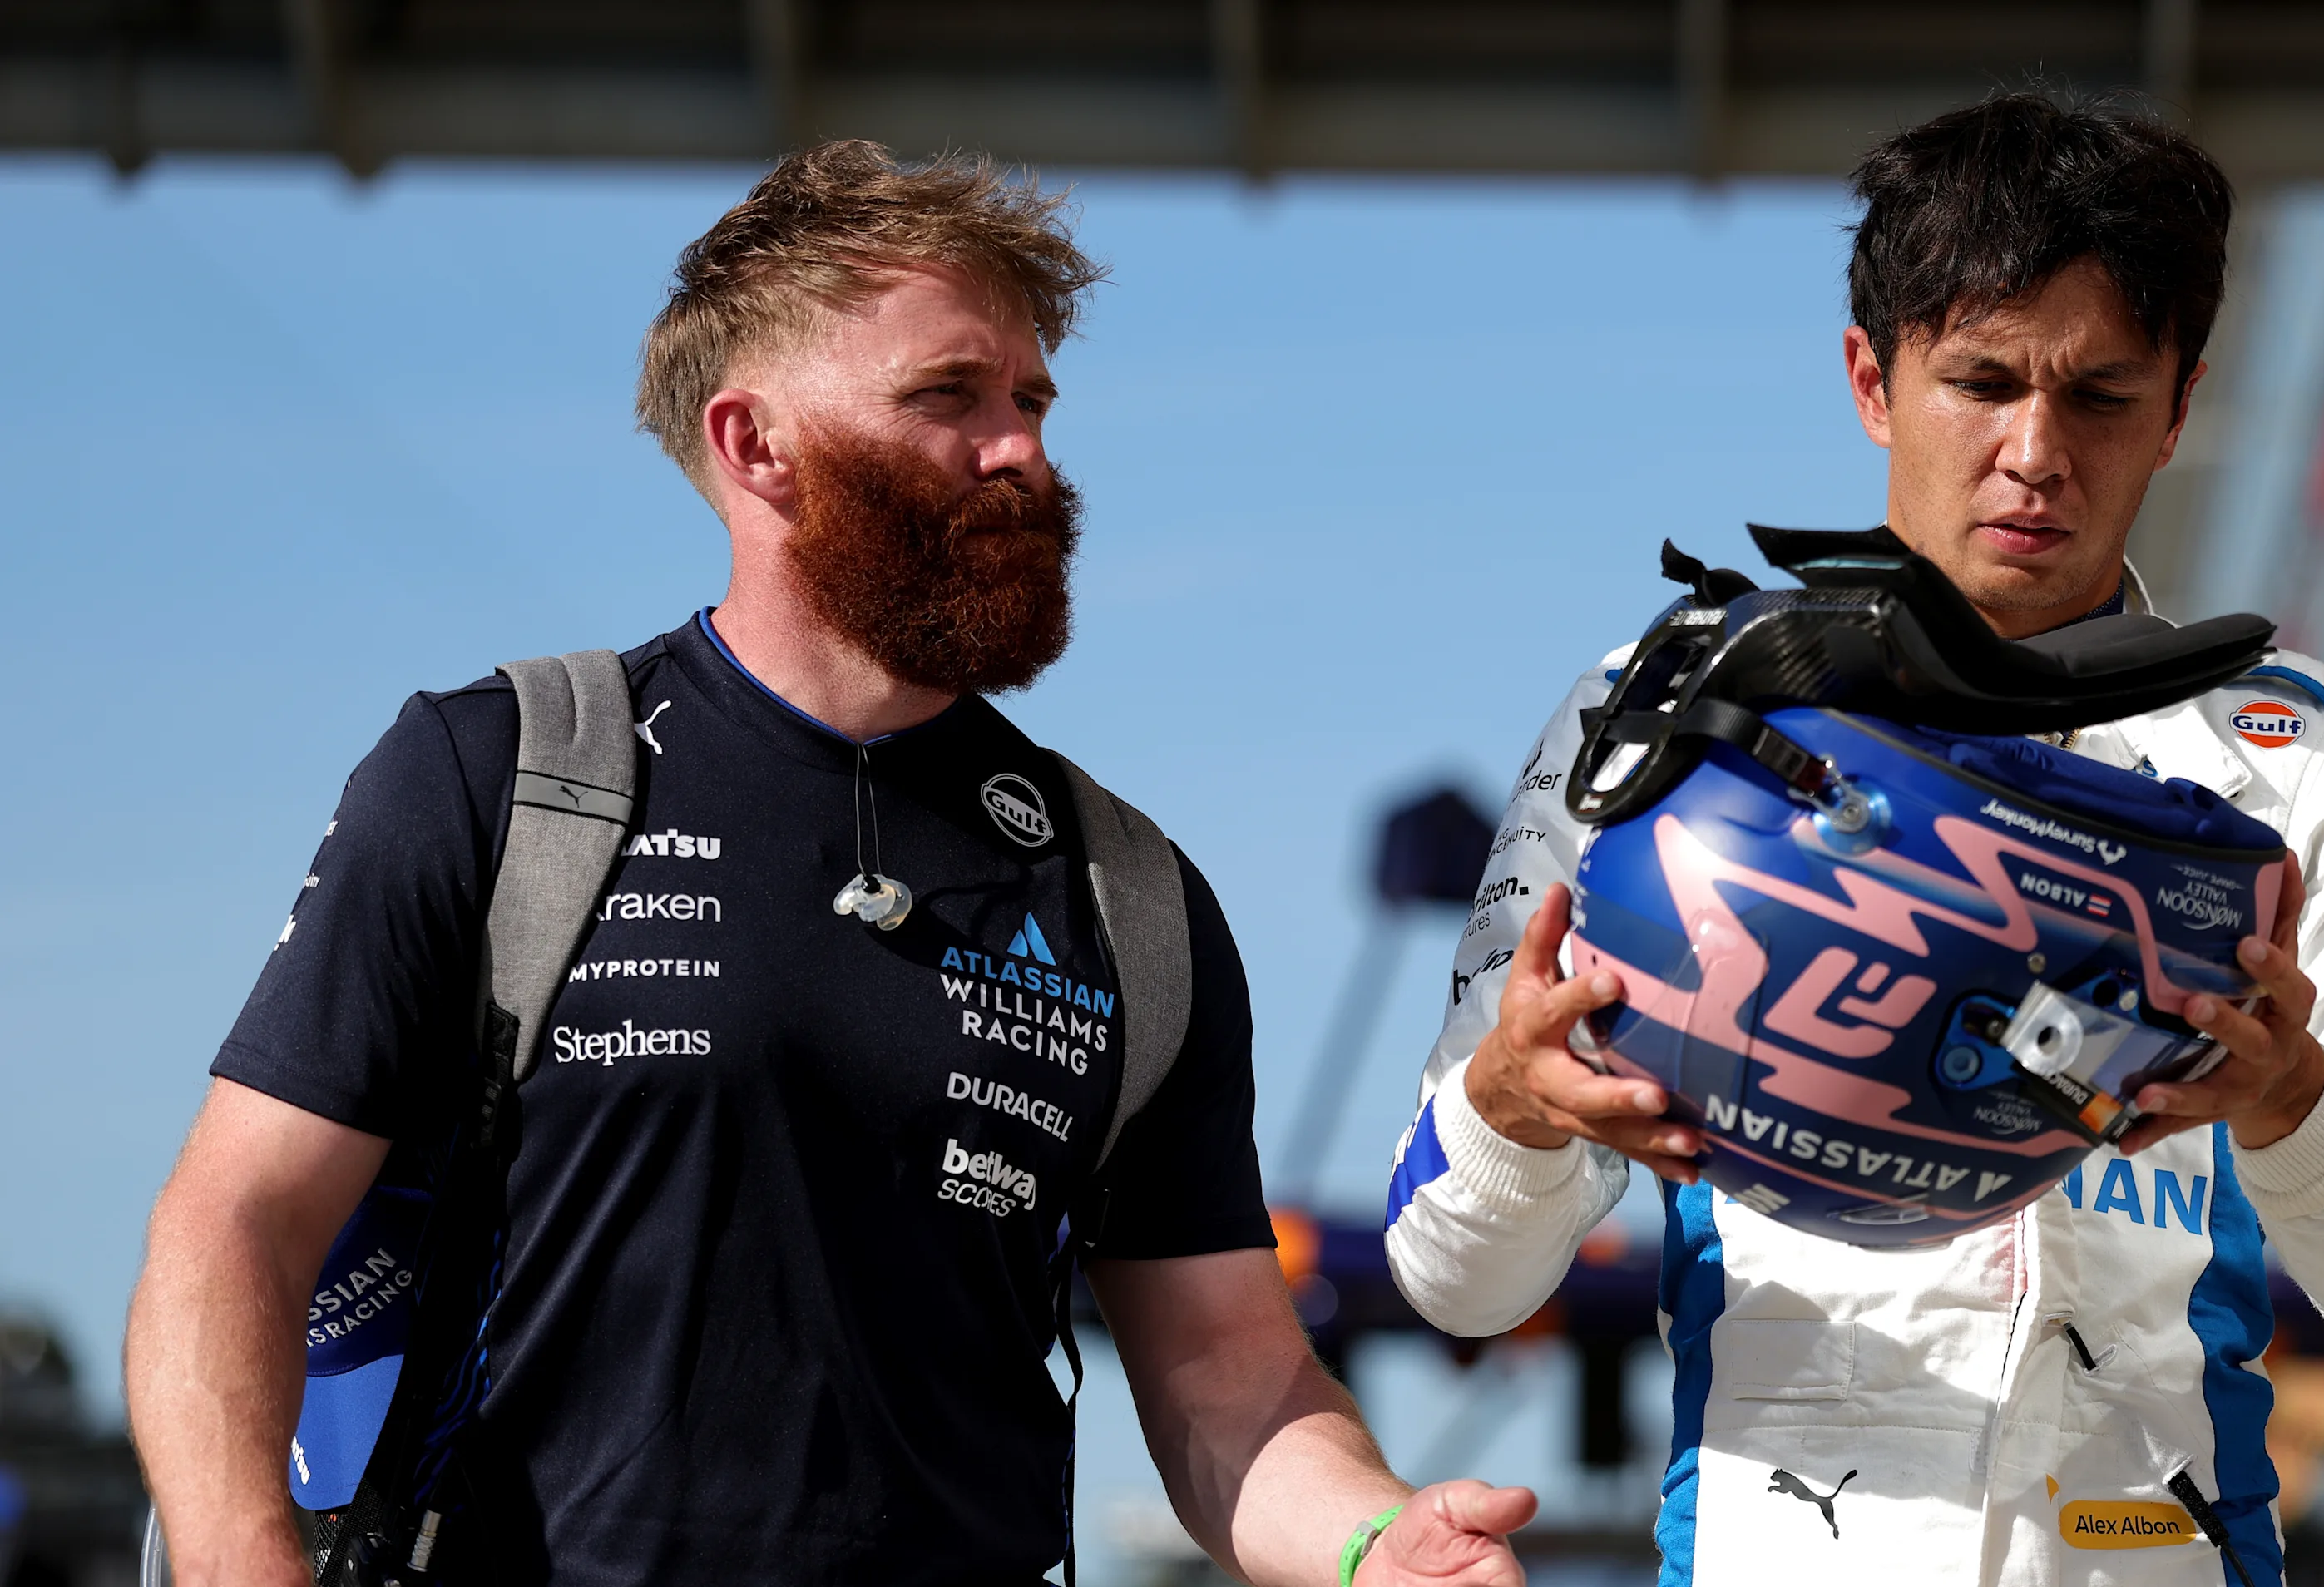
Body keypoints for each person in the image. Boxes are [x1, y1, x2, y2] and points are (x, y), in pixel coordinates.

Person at [126, 141, 1533, 1587]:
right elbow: (234, 1226)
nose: (1023, 452)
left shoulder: (1128, 898)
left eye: (1033, 402)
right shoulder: (505, 779)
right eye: (949, 397)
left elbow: (1230, 1379)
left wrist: (1376, 1544)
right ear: (755, 445)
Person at [1383, 95, 2324, 1585]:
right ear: (1872, 377)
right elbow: (1452, 1278)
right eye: (1981, 382)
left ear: (2180, 409)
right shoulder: (1668, 716)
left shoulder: (2304, 755)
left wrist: (2297, 1100)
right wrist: (1514, 1109)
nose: (2034, 454)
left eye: (2101, 396)